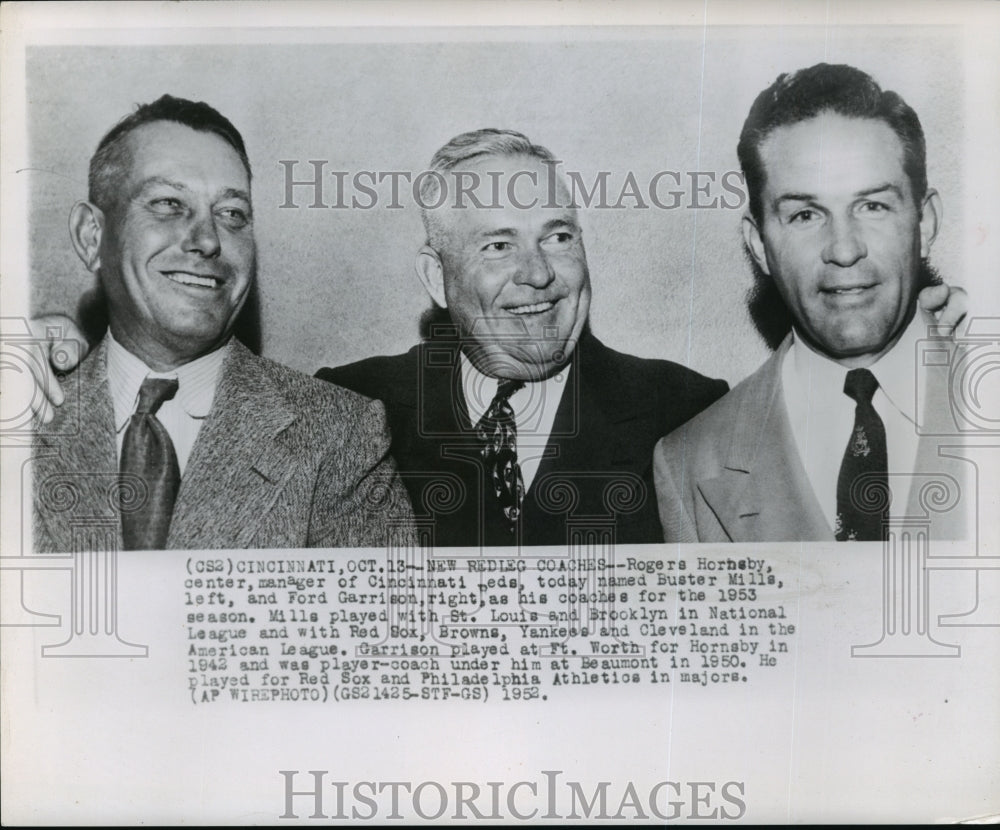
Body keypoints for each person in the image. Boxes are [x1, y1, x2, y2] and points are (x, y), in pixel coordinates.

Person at [32, 95, 415, 552]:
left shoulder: (342, 437)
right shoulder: (22, 410)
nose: (209, 239)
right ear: (92, 237)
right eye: (169, 203)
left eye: (231, 213)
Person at [318, 129, 730, 546]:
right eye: (498, 245)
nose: (538, 273)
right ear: (436, 277)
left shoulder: (687, 411)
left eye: (558, 238)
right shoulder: (349, 409)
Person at [654, 63, 968, 543]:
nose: (844, 249)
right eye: (804, 214)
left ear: (924, 223)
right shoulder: (689, 463)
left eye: (873, 206)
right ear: (759, 244)